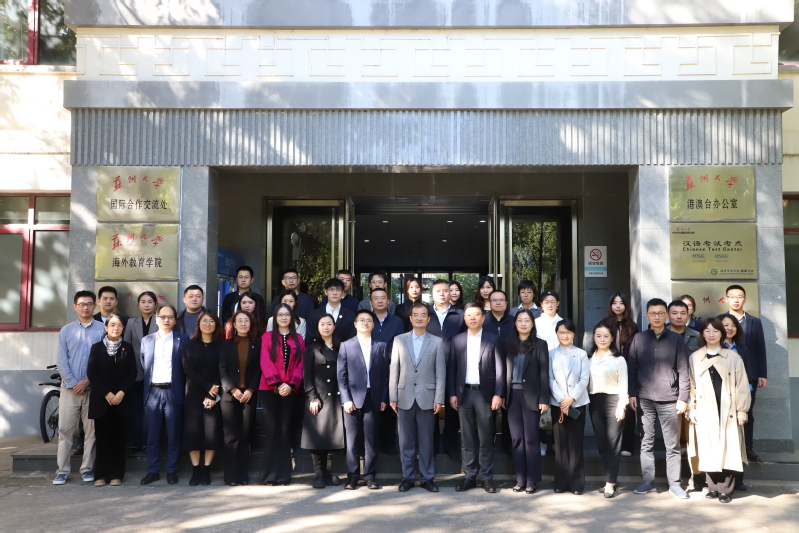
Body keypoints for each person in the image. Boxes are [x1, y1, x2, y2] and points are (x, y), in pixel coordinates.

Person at [628, 298, 690, 499]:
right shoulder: (639, 338)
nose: (657, 316)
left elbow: (683, 370)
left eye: (661, 313)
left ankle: (675, 484)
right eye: (653, 313)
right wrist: (632, 394)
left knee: (672, 445)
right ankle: (648, 481)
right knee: (646, 441)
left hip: (670, 398)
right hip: (644, 398)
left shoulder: (676, 339)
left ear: (666, 315)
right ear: (647, 315)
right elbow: (631, 368)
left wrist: (683, 397)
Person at [687, 318, 751, 504]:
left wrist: (741, 411)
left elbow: (742, 386)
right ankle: (713, 487)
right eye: (707, 331)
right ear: (702, 334)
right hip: (704, 408)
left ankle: (725, 489)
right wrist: (692, 408)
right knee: (708, 447)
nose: (711, 334)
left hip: (728, 408)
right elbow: (691, 385)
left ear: (722, 333)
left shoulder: (733, 357)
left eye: (715, 331)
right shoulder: (695, 357)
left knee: (728, 448)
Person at [448, 302, 506, 494]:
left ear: (483, 318)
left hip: (485, 395)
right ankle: (469, 476)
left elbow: (500, 370)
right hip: (463, 394)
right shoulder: (457, 340)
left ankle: (486, 477)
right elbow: (452, 369)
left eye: (476, 314)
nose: (472, 318)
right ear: (464, 319)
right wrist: (452, 393)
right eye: (469, 315)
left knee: (486, 437)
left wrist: (498, 394)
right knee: (467, 437)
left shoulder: (493, 339)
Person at [389, 303, 447, 492]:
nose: (419, 318)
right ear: (410, 318)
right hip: (404, 396)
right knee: (405, 441)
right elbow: (394, 369)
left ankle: (427, 478)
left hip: (427, 398)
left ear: (428, 319)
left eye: (423, 315)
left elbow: (440, 373)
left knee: (426, 442)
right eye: (416, 315)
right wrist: (393, 396)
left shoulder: (437, 342)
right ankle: (407, 477)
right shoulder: (399, 340)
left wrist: (439, 398)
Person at [53, 290, 105, 486]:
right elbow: (61, 359)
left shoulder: (102, 329)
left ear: (95, 306)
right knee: (65, 430)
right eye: (82, 304)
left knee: (91, 432)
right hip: (69, 389)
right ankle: (62, 470)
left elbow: (103, 360)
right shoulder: (66, 331)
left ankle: (87, 468)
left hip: (93, 390)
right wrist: (74, 382)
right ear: (75, 306)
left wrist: (87, 381)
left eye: (89, 304)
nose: (85, 307)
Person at [337, 309, 389, 490]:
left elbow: (385, 376)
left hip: (373, 398)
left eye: (368, 320)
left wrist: (384, 397)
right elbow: (341, 376)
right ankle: (352, 476)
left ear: (373, 325)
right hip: (351, 399)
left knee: (371, 440)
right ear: (355, 324)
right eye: (361, 320)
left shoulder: (381, 346)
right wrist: (346, 399)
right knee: (352, 440)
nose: (365, 323)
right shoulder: (346, 346)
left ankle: (369, 476)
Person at [140, 304, 190, 485]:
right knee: (152, 435)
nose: (166, 320)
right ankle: (153, 470)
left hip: (173, 391)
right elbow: (144, 363)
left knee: (173, 434)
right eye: (163, 317)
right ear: (157, 318)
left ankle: (172, 470)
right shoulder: (147, 340)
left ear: (175, 320)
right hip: (152, 392)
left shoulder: (183, 339)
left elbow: (186, 366)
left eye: (170, 317)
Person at [86, 315, 136, 487]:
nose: (116, 328)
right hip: (102, 400)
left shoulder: (127, 348)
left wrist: (121, 392)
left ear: (123, 329)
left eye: (119, 325)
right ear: (106, 328)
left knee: (118, 438)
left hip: (121, 400)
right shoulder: (97, 348)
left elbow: (132, 373)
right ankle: (100, 474)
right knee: (102, 439)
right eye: (112, 325)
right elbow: (92, 373)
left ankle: (116, 474)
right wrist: (107, 393)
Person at [503, 309, 549, 494]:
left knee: (531, 439)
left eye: (527, 321)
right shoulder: (508, 344)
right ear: (515, 323)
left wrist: (544, 398)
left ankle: (532, 480)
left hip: (531, 397)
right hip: (512, 396)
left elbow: (544, 373)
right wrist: (502, 394)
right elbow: (503, 371)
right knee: (516, 439)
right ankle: (520, 479)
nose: (523, 324)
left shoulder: (540, 344)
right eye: (520, 320)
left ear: (532, 324)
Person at [259, 303, 304, 485]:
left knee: (285, 430)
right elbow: (265, 362)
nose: (284, 317)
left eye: (287, 314)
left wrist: (290, 384)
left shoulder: (298, 338)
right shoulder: (267, 337)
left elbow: (300, 364)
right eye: (280, 314)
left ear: (292, 317)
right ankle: (269, 475)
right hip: (269, 389)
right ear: (275, 318)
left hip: (290, 389)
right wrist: (278, 383)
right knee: (272, 430)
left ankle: (284, 475)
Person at [302, 314, 345, 489]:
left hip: (337, 397)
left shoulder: (342, 348)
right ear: (317, 328)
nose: (326, 327)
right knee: (317, 436)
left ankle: (326, 473)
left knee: (330, 435)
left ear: (334, 327)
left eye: (329, 324)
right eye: (322, 324)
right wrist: (312, 397)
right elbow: (307, 376)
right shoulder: (311, 349)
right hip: (318, 397)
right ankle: (319, 474)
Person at [724, 284, 767, 463]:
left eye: (739, 296)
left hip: (750, 374)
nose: (736, 300)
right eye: (732, 296)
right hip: (724, 376)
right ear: (726, 299)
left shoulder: (754, 321)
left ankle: (747, 448)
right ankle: (727, 447)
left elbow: (760, 347)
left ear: (745, 299)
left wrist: (762, 374)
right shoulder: (719, 320)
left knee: (747, 411)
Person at [219, 310, 261, 486]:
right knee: (231, 436)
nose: (243, 324)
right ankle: (230, 475)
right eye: (240, 321)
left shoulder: (257, 344)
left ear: (250, 324)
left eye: (246, 320)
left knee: (244, 435)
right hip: (230, 395)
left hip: (249, 395)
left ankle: (243, 474)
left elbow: (259, 369)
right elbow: (222, 369)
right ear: (234, 325)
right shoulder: (225, 344)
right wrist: (233, 389)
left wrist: (250, 389)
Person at [182, 311, 224, 486]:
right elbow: (188, 369)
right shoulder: (190, 345)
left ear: (216, 325)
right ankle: (196, 470)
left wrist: (212, 393)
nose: (208, 324)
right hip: (193, 393)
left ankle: (206, 469)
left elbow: (223, 369)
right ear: (199, 324)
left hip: (214, 395)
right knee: (193, 432)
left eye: (211, 321)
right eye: (204, 321)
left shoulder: (222, 346)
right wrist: (208, 387)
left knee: (211, 432)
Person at [426, 279, 466, 459]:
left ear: (450, 293)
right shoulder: (425, 313)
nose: (442, 294)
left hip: (454, 366)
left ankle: (450, 445)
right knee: (430, 407)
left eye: (445, 291)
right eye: (438, 291)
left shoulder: (460, 314)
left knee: (453, 406)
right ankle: (433, 446)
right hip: (429, 366)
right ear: (432, 294)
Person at [549, 319, 590, 494]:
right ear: (556, 334)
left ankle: (576, 484)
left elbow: (584, 379)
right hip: (557, 404)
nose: (565, 335)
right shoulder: (551, 354)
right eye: (561, 332)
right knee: (560, 445)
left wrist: (571, 398)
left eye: (568, 332)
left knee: (575, 444)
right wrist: (562, 400)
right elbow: (550, 379)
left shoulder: (581, 354)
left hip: (577, 404)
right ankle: (561, 482)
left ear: (573, 334)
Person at [587, 323, 627, 498]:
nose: (602, 339)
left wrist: (622, 406)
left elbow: (623, 384)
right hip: (594, 402)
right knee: (602, 444)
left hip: (613, 401)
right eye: (598, 336)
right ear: (593, 337)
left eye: (606, 336)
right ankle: (611, 479)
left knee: (613, 444)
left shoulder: (618, 359)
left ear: (612, 338)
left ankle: (610, 483)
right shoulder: (588, 358)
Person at [600, 291, 639, 457]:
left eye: (621, 303)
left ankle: (627, 445)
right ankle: (610, 444)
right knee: (610, 406)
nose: (618, 306)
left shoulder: (632, 326)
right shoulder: (604, 324)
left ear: (626, 306)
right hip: (608, 370)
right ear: (610, 305)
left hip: (627, 369)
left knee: (628, 408)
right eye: (614, 303)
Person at [719, 313, 753, 491]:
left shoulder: (743, 349)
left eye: (732, 325)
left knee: (740, 440)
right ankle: (722, 481)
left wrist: (745, 398)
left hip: (741, 399)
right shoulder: (714, 348)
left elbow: (749, 375)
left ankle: (739, 480)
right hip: (721, 400)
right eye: (725, 325)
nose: (729, 328)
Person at [369, 287, 404, 456]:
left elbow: (400, 344)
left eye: (383, 297)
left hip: (392, 367)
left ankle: (389, 445)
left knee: (390, 407)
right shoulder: (367, 320)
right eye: (376, 298)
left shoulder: (397, 321)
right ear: (371, 302)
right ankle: (372, 445)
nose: (380, 301)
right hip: (371, 369)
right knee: (373, 408)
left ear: (388, 301)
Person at [122, 290, 157, 452]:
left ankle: (149, 441)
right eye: (143, 302)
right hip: (135, 372)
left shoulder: (160, 321)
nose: (146, 305)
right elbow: (126, 347)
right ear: (138, 304)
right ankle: (134, 441)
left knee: (152, 409)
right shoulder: (131, 323)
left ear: (155, 304)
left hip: (156, 373)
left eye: (150, 302)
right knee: (135, 408)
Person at [305, 278, 356, 345]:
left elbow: (352, 340)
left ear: (342, 293)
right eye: (331, 289)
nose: (334, 293)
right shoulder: (314, 314)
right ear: (326, 292)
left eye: (338, 290)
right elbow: (309, 340)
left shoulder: (351, 315)